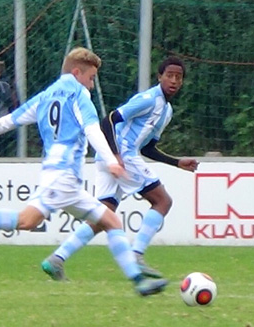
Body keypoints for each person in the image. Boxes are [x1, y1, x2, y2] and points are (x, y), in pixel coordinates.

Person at [0, 47, 168, 296]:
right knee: (99, 220)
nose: (92, 85)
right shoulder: (79, 94)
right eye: (91, 78)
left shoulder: (46, 95)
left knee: (41, 221)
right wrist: (111, 160)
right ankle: (138, 280)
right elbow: (93, 130)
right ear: (77, 72)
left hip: (56, 174)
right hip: (63, 177)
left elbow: (8, 121)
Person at [41, 56, 198, 281]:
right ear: (159, 77)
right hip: (121, 155)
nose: (173, 80)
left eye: (178, 77)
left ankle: (57, 259)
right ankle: (136, 255)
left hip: (112, 157)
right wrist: (115, 155)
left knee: (103, 216)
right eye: (169, 75)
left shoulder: (166, 110)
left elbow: (149, 148)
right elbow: (109, 120)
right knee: (163, 201)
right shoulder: (149, 99)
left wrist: (176, 162)